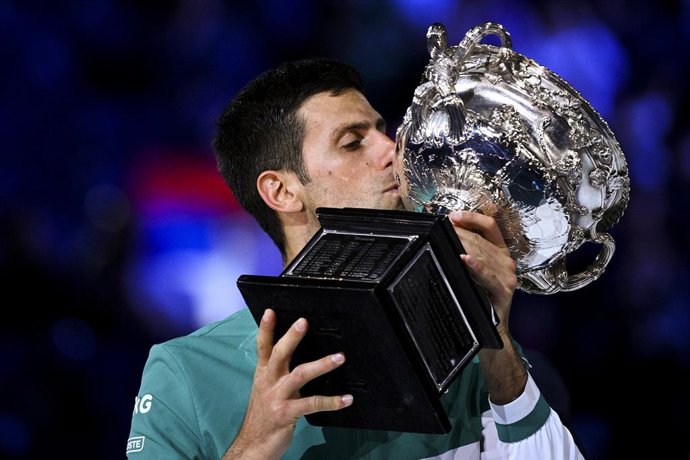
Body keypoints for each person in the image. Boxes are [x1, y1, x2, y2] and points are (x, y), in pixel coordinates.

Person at [126, 57, 585, 459]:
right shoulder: (186, 371)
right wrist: (255, 444)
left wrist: (496, 340)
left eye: (382, 131)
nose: (392, 151)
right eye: (352, 142)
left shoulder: (466, 347)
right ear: (282, 191)